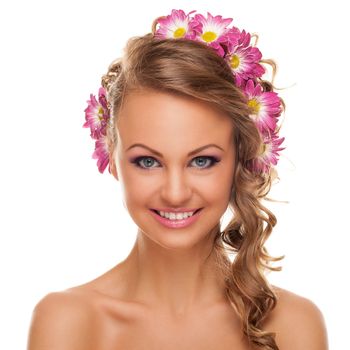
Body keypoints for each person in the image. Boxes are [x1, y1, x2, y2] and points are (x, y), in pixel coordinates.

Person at [27, 9, 328, 350]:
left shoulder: (294, 326)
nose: (175, 193)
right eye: (148, 161)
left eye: (202, 161)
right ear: (111, 157)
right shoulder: (67, 323)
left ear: (241, 158)